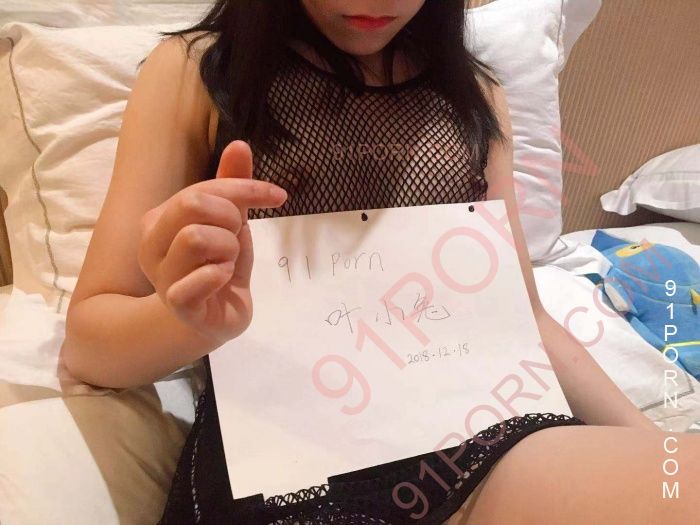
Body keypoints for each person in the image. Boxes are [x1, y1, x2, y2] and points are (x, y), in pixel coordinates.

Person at [61, 0, 700, 523]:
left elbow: (522, 314)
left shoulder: (475, 92)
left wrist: (657, 451)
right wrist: (188, 322)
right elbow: (90, 349)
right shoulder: (199, 72)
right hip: (289, 457)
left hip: (485, 430)